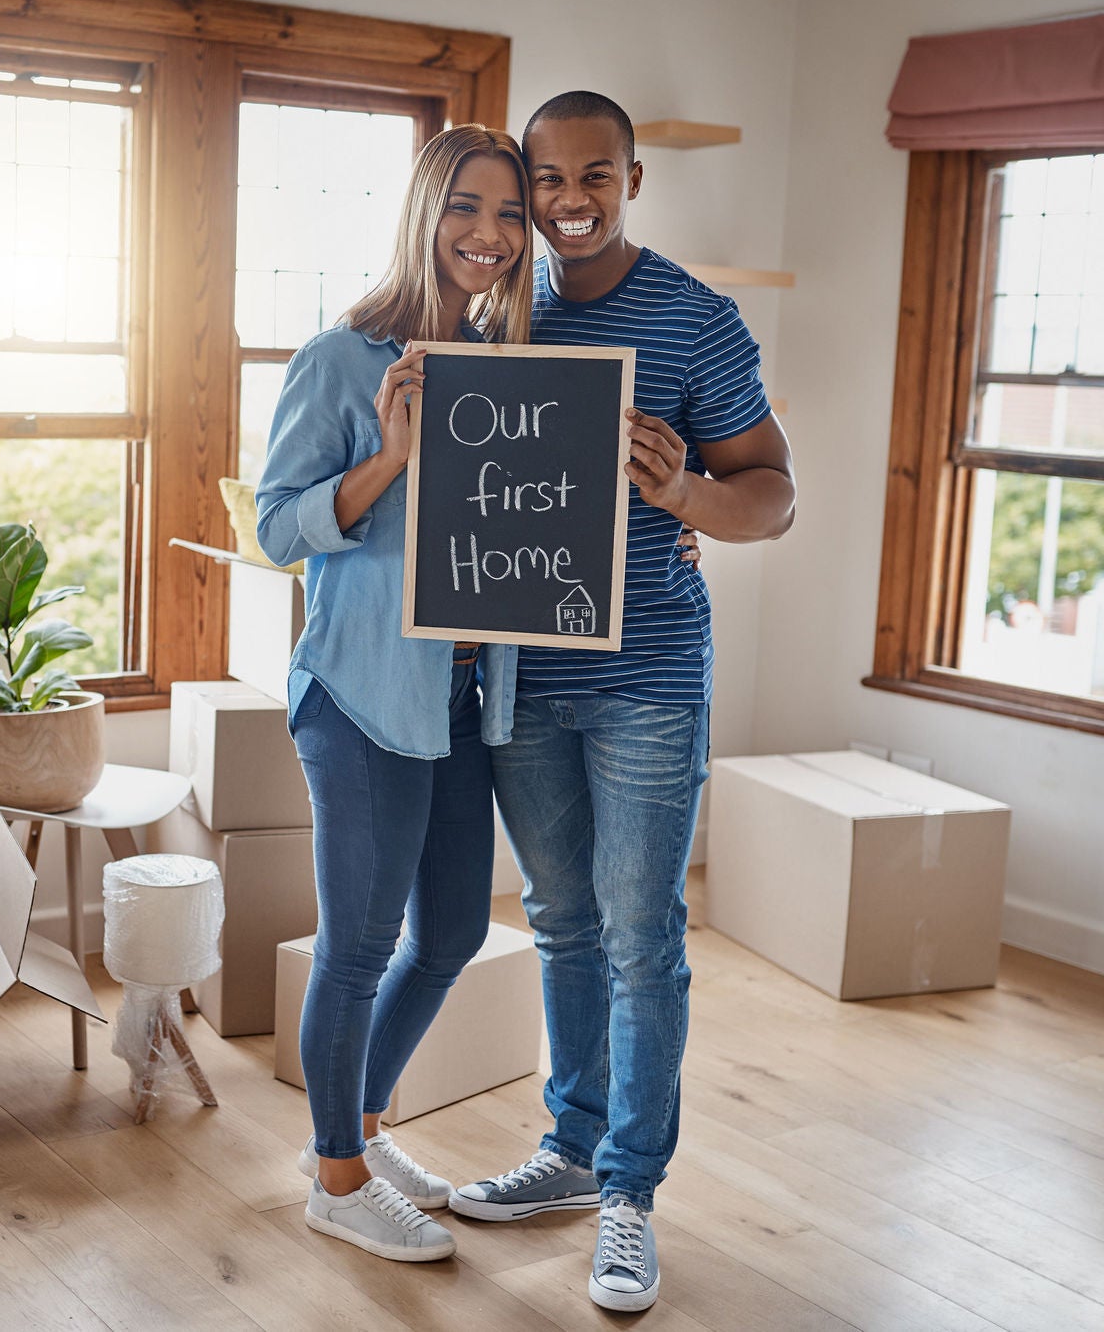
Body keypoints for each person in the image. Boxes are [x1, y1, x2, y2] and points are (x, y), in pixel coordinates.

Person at [448, 91, 797, 1314]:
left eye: (593, 175)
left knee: (641, 934)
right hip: (521, 677)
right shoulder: (490, 307)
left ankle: (628, 1196)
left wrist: (687, 497)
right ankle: (568, 1146)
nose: (566, 201)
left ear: (633, 178)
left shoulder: (696, 322)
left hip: (646, 677)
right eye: (544, 180)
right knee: (560, 922)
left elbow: (774, 493)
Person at [253, 124, 533, 1263]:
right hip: (361, 698)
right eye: (468, 207)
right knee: (359, 942)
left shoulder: (507, 369)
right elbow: (277, 527)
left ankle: (359, 1129)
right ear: (424, 212)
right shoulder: (340, 359)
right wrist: (388, 455)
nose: (490, 234)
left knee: (455, 927)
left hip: (463, 698)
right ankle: (333, 1177)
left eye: (510, 214)